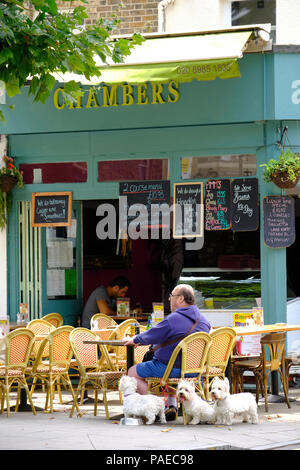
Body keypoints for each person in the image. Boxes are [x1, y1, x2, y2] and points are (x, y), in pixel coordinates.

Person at [124, 283, 211, 421]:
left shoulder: (173, 319)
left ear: (181, 299)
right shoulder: (204, 321)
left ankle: (160, 407)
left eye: (172, 296)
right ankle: (172, 407)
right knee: (169, 363)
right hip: (194, 372)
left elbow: (152, 334)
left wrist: (135, 339)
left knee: (132, 372)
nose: (169, 299)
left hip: (171, 369)